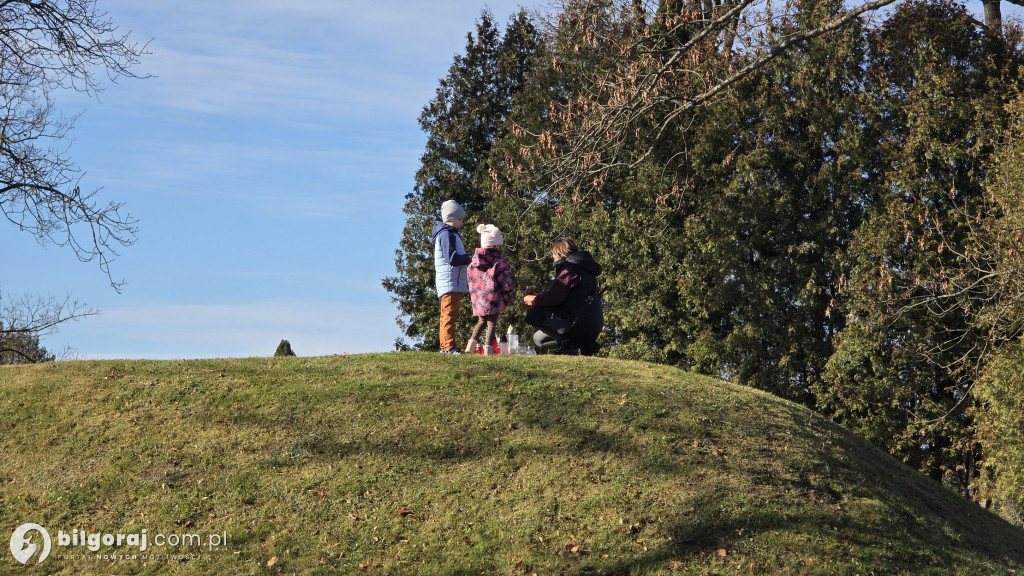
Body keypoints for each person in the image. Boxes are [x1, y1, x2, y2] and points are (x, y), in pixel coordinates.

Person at [523, 237, 603, 355]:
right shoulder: (585, 269)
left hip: (578, 324)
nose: (552, 258)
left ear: (558, 253)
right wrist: (539, 298)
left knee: (534, 314)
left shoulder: (570, 270)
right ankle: (585, 344)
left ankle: (567, 344)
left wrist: (535, 299)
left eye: (553, 254)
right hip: (593, 326)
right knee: (539, 339)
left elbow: (553, 298)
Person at [465, 224, 515, 355]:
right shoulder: (499, 262)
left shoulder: (473, 263)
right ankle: (488, 348)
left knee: (481, 321)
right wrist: (509, 298)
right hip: (494, 298)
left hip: (478, 298)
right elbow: (505, 283)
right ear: (498, 245)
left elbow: (470, 281)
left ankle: (470, 346)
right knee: (492, 322)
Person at [432, 200, 472, 354]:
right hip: (450, 281)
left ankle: (446, 346)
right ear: (452, 218)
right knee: (450, 314)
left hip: (451, 281)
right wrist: (470, 258)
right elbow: (452, 259)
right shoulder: (447, 234)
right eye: (460, 219)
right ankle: (448, 346)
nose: (462, 223)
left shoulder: (449, 234)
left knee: (449, 313)